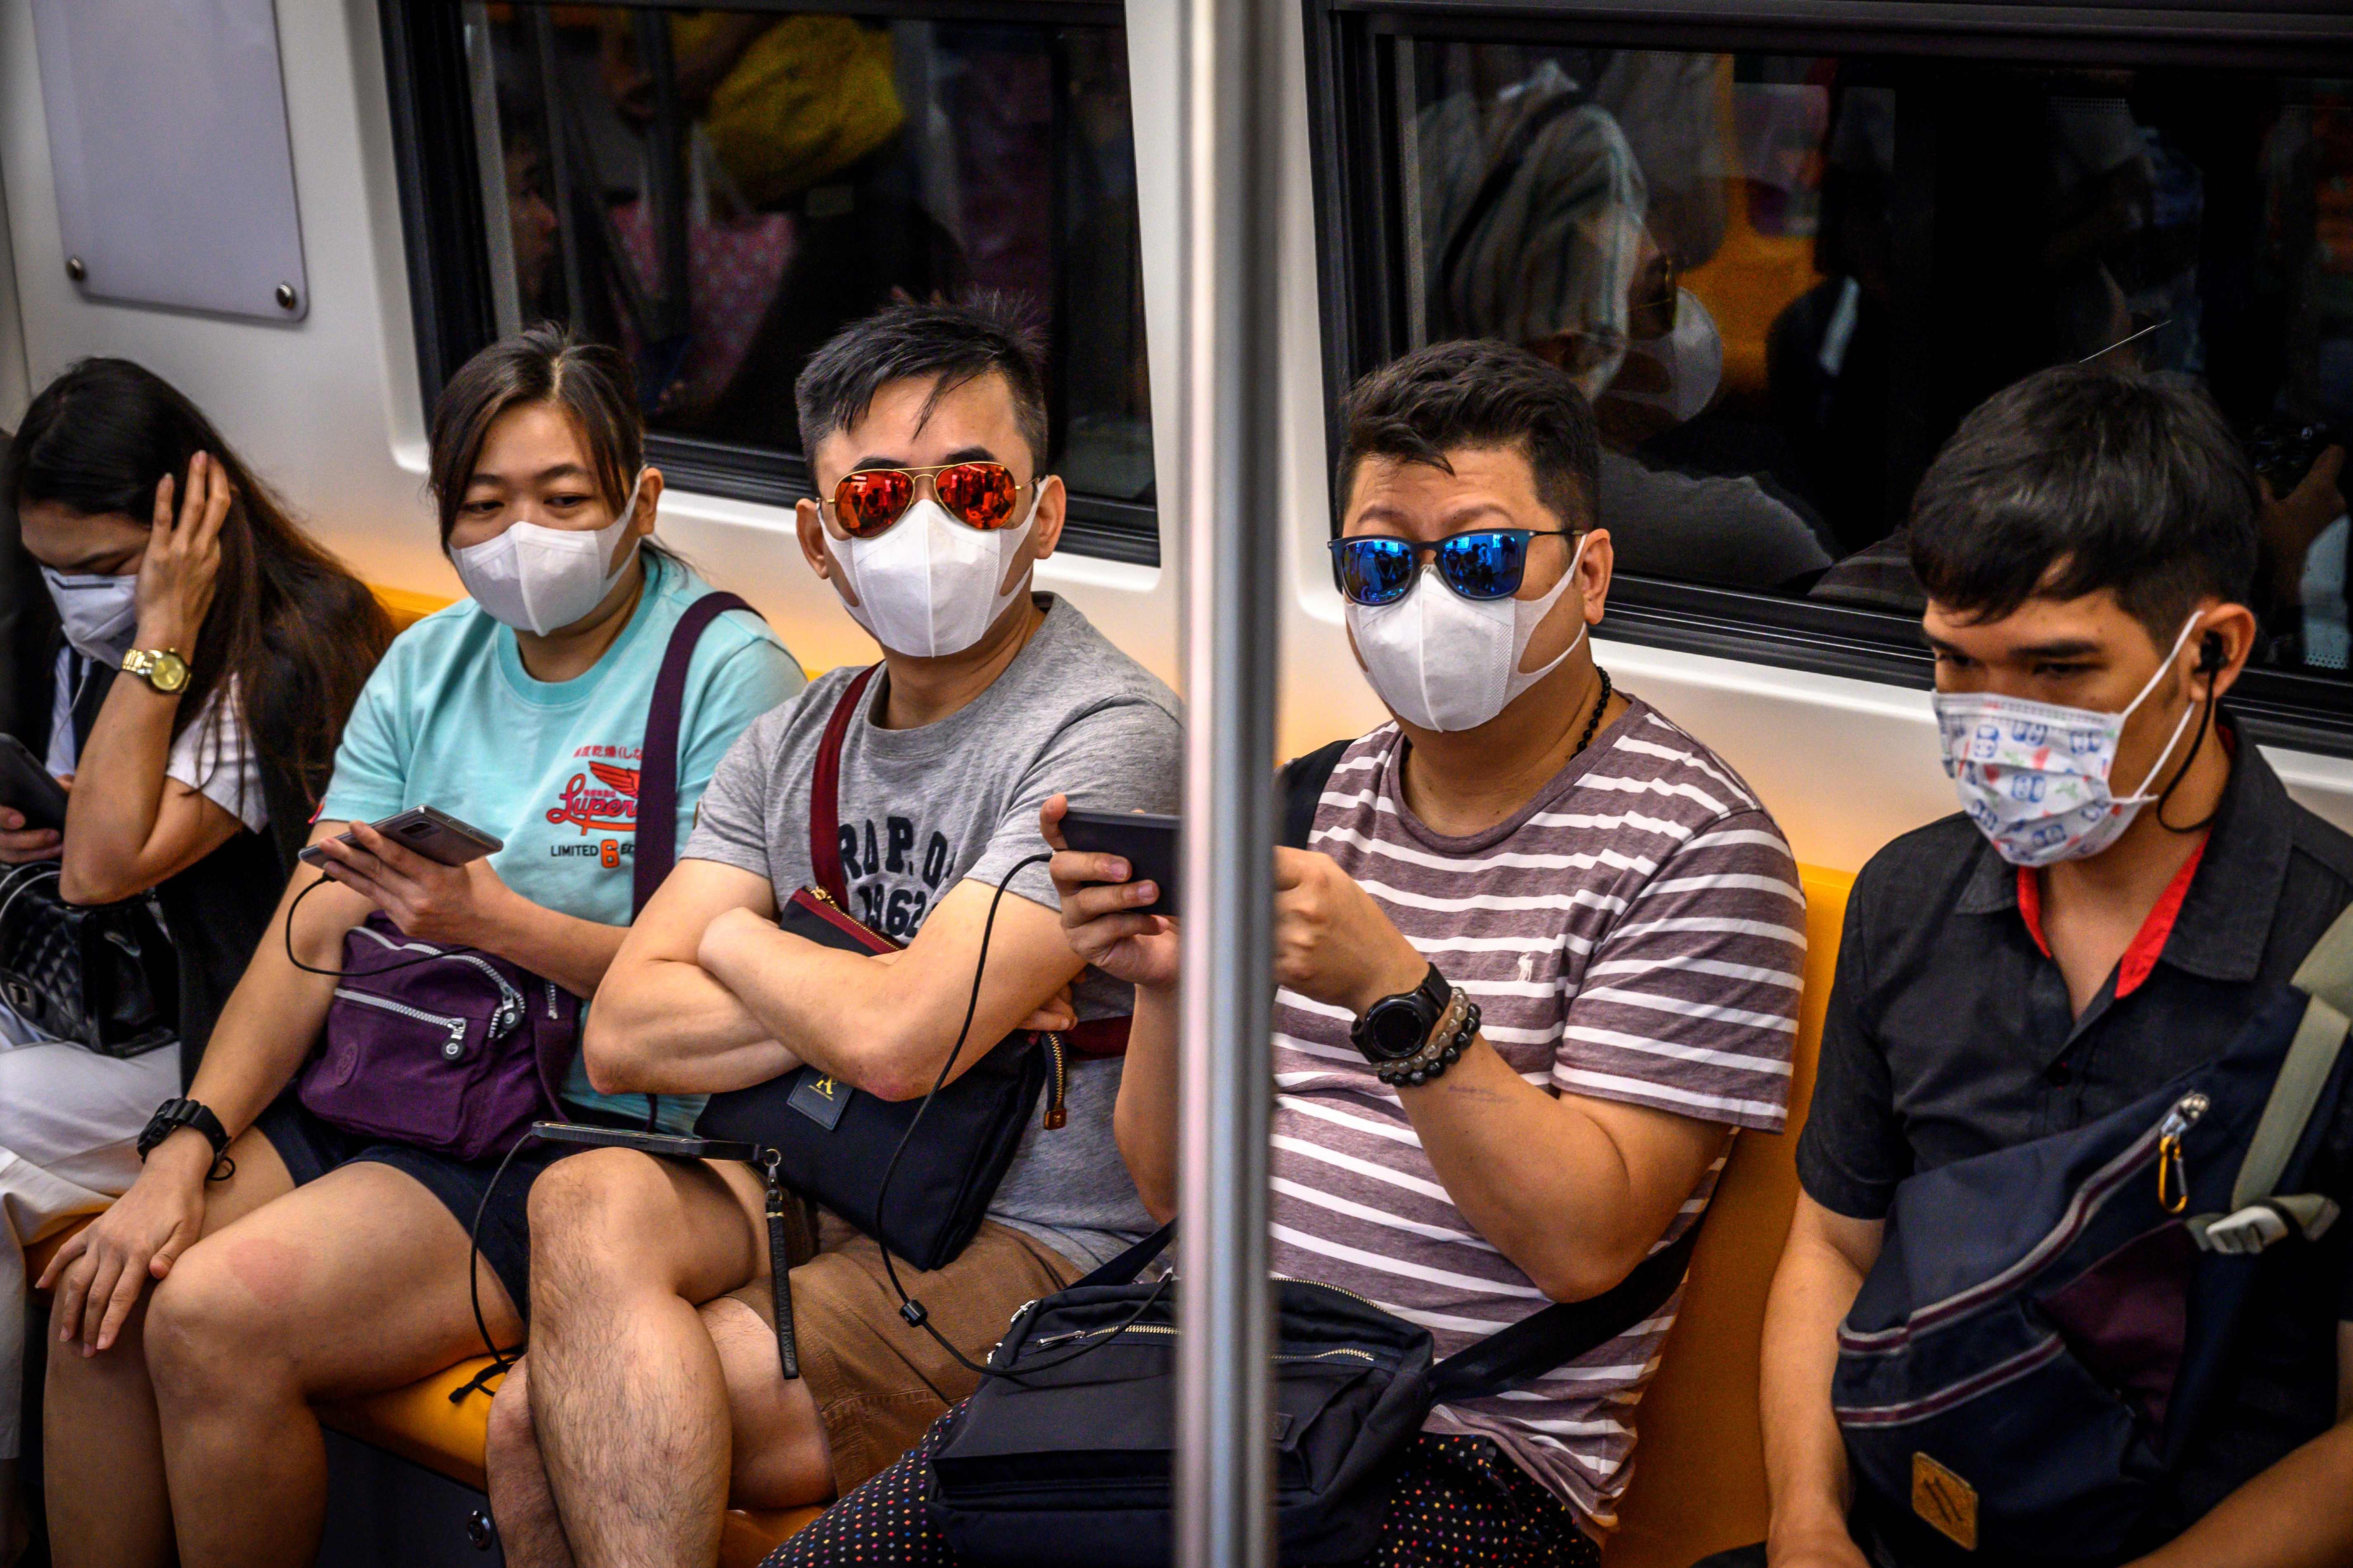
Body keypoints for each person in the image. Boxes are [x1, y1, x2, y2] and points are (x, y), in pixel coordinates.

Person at [768, 336, 1805, 1565]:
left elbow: (1585, 1246)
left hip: (1457, 1444)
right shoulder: (1305, 801)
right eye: (1379, 564)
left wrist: (1396, 994)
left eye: (1475, 557)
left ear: (1586, 577)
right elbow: (1168, 1190)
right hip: (1181, 1371)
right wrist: (1166, 986)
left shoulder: (1697, 849)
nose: (1425, 602)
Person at [35, 325, 804, 1568]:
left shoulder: (723, 674)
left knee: (210, 1321)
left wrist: (492, 921)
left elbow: (735, 994)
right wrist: (187, 1147)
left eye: (564, 498)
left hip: (563, 1133)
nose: (523, 534)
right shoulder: (430, 662)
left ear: (639, 497)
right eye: (486, 504)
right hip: (388, 1078)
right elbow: (310, 931)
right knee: (99, 1301)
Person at [480, 299, 1181, 1568]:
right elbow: (629, 1027)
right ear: (818, 539)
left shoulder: (1108, 736)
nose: (927, 531)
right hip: (826, 1174)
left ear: (1046, 513)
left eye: (972, 489)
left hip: (1031, 1243)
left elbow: (903, 1047)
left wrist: (751, 950)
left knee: (543, 1416)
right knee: (582, 1194)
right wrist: (862, 981)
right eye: (874, 502)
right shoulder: (791, 740)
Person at [1740, 365, 2353, 1568]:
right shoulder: (1909, 900)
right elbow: (1832, 1248)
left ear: (2211, 656)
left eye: (2057, 671)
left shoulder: (2331, 960)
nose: (1995, 719)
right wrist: (1803, 1521)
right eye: (1958, 664)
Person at [0, 361, 390, 1562]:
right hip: (96, 1002)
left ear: (189, 522)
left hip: (224, 1034)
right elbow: (91, 828)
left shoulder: (279, 648)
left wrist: (159, 628)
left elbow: (111, 860)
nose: (78, 600)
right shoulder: (56, 633)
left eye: (109, 569)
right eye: (55, 568)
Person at [1418, 62, 1832, 592]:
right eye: (1657, 292)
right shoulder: (1751, 537)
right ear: (1563, 351)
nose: (1679, 317)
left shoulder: (1404, 487)